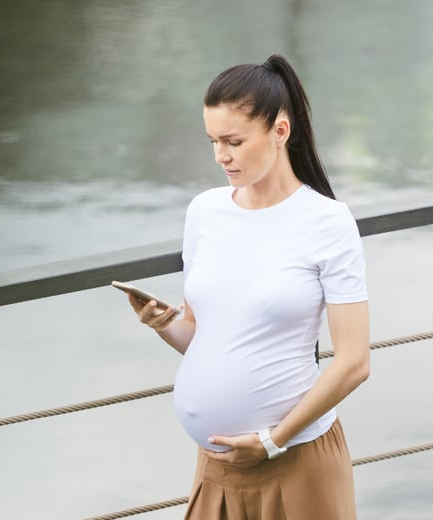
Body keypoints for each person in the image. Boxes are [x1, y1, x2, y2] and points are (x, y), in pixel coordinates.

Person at [125, 54, 370, 519]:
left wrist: (271, 442)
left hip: (293, 459)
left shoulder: (326, 223)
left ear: (280, 131)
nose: (221, 156)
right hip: (217, 466)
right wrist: (164, 324)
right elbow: (205, 338)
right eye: (214, 141)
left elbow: (354, 362)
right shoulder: (205, 212)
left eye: (234, 141)